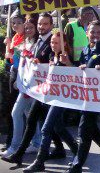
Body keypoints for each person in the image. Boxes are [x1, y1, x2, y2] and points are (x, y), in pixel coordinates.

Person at [2, 13, 66, 166]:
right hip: (29, 86)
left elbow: (53, 62)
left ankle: (16, 148)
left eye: (44, 24)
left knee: (20, 114)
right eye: (40, 24)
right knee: (36, 119)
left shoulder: (51, 41)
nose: (41, 27)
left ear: (51, 25)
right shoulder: (36, 41)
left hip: (39, 88)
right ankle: (39, 146)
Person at [23, 32, 78, 172]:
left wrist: (68, 64)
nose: (53, 45)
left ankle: (39, 162)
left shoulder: (66, 57)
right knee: (58, 127)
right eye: (52, 42)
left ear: (64, 44)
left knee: (46, 128)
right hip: (51, 96)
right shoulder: (51, 55)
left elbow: (76, 75)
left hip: (62, 98)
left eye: (56, 43)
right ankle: (78, 151)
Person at [67, 21, 100, 173]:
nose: (95, 35)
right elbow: (82, 64)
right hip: (85, 95)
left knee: (83, 129)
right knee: (92, 129)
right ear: (87, 32)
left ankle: (77, 165)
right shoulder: (86, 49)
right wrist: (81, 66)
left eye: (98, 33)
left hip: (98, 96)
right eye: (93, 32)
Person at [0, 16, 40, 158]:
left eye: (30, 27)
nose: (28, 30)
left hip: (31, 85)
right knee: (29, 114)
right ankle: (36, 143)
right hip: (23, 82)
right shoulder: (25, 42)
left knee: (16, 113)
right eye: (27, 27)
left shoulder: (36, 44)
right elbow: (14, 60)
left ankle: (14, 147)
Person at [3, 9, 25, 150]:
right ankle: (12, 140)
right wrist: (8, 46)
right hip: (13, 73)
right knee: (12, 108)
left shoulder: (25, 38)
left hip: (20, 75)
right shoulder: (16, 37)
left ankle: (16, 142)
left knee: (18, 111)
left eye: (18, 23)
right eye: (13, 23)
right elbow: (9, 58)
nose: (15, 25)